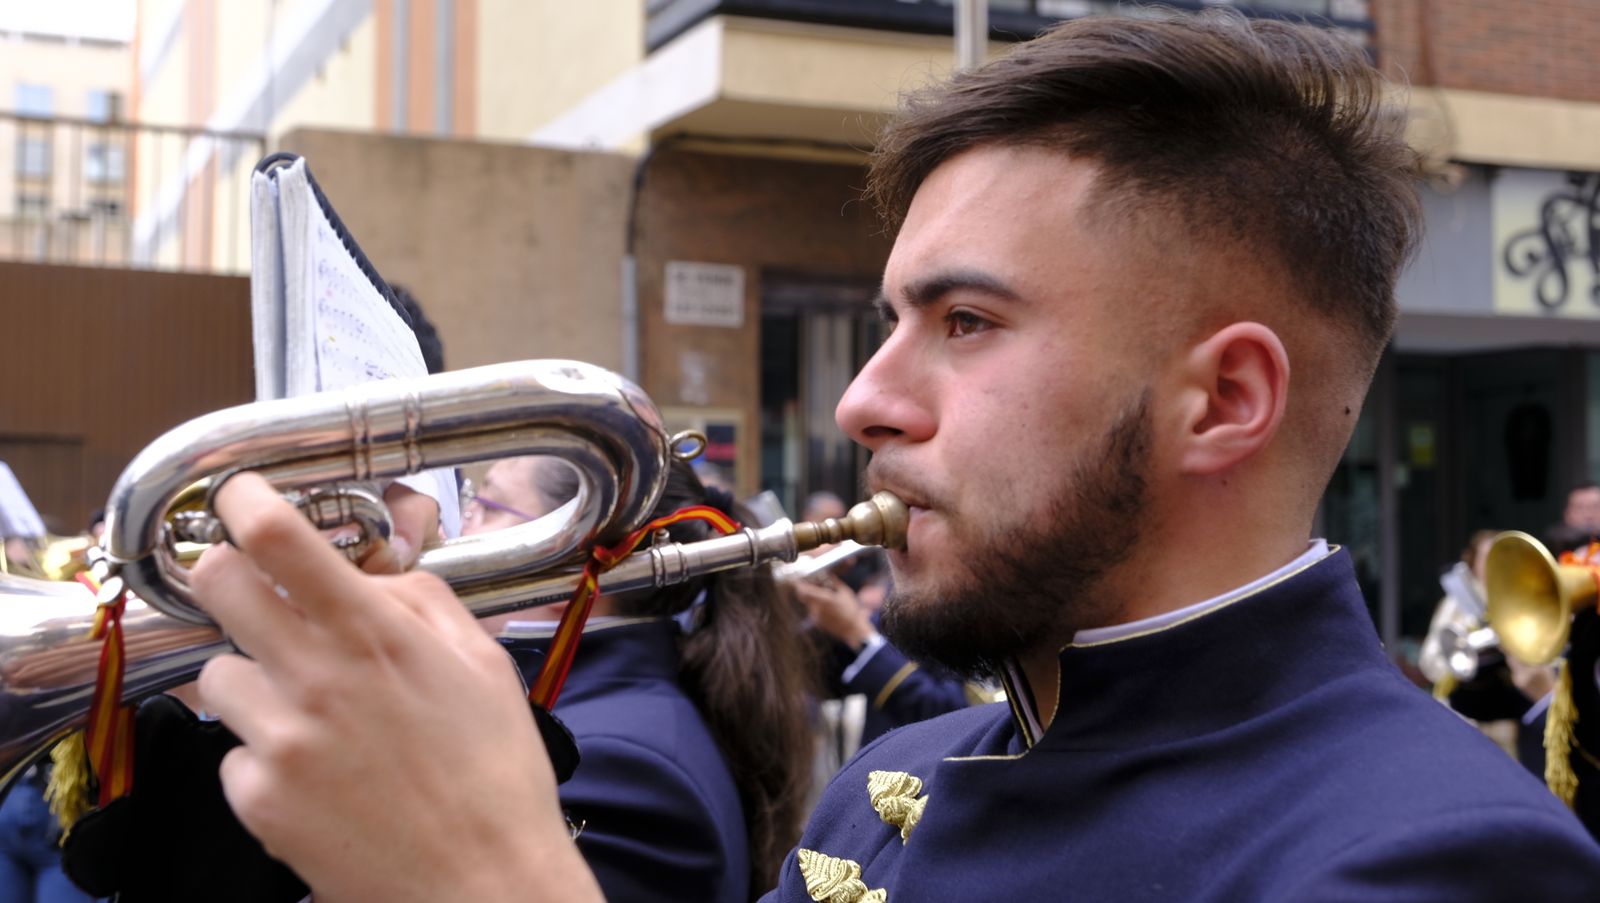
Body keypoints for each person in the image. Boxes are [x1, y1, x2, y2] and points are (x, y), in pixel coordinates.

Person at [177, 9, 1600, 901]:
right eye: (884, 324)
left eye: (965, 321)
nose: (864, 397)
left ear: (1224, 398)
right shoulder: (892, 776)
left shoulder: (1435, 852)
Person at [468, 455, 815, 900]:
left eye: (487, 506)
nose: (454, 531)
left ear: (568, 561)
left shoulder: (619, 763)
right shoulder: (616, 722)